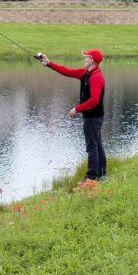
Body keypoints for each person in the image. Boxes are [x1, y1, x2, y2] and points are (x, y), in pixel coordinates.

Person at [38, 50, 106, 181]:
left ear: (92, 61)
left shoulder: (96, 77)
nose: (84, 59)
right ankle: (101, 174)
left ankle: (91, 178)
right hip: (93, 116)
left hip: (93, 117)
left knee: (92, 147)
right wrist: (49, 63)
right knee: (96, 145)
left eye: (86, 57)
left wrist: (77, 109)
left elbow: (94, 100)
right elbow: (67, 71)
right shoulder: (86, 73)